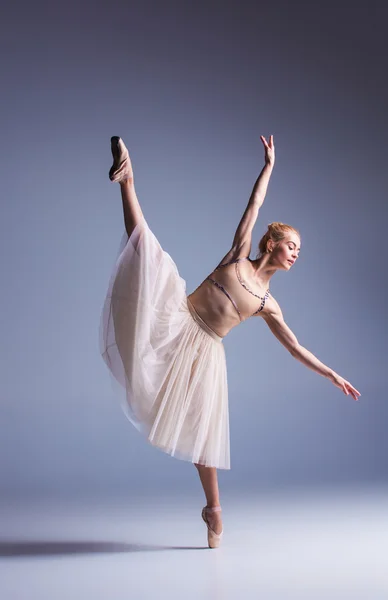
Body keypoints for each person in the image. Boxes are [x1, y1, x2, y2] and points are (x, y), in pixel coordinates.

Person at [100, 134, 361, 549]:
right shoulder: (239, 254)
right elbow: (254, 205)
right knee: (148, 252)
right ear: (271, 244)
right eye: (291, 246)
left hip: (205, 353)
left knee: (203, 433)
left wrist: (332, 374)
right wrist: (269, 168)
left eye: (299, 250)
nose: (296, 253)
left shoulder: (268, 304)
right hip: (178, 318)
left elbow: (295, 347)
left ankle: (213, 508)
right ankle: (128, 179)